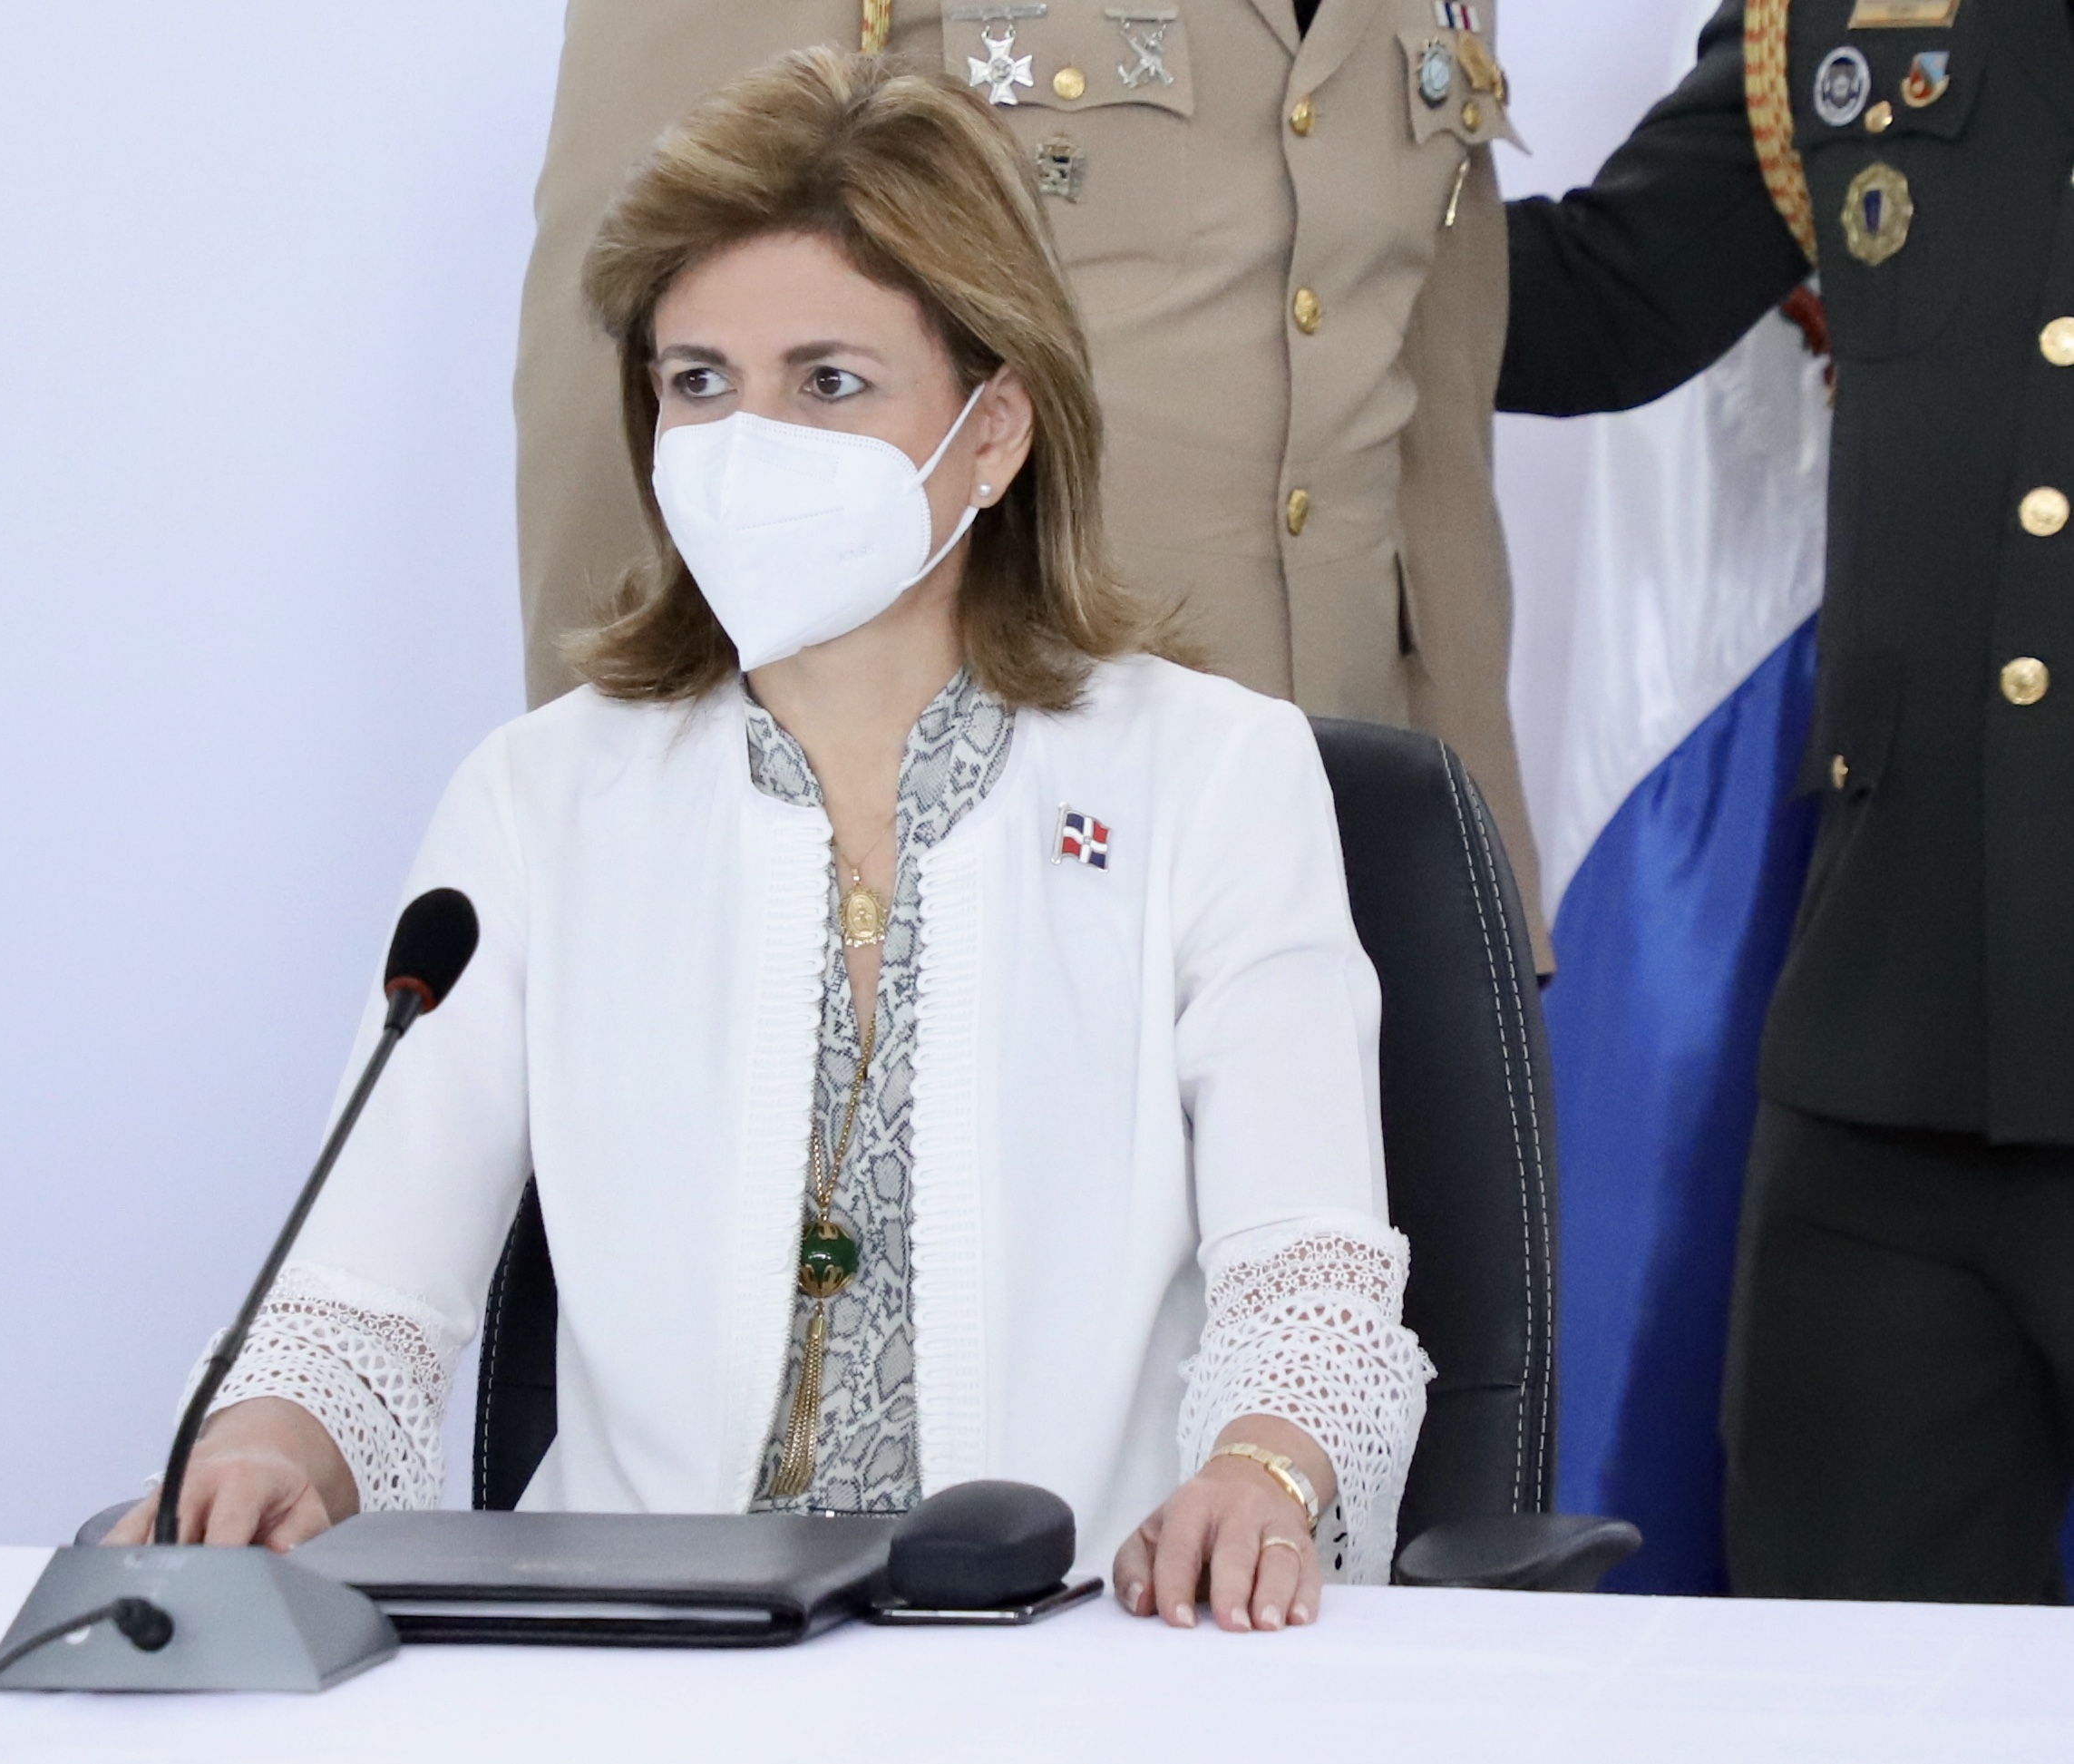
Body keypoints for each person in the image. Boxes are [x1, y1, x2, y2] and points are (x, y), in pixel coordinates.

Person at [110, 51, 1433, 1629]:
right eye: (697, 383)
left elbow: (1309, 1282)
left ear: (995, 430)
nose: (747, 441)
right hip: (635, 1657)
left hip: (1078, 1643)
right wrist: (268, 1446)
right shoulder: (537, 798)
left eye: (828, 383)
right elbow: (359, 1303)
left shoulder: (1216, 774)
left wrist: (1263, 1471)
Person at [513, 0, 1552, 959]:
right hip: (956, 855)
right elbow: (637, 386)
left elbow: (1432, 444)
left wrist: (1480, 894)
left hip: (1334, 851)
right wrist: (626, 859)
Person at [1500, 0, 2074, 1600]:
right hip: (1889, 1077)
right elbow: (1601, 303)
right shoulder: (1844, 22)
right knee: (1839, 1686)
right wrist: (1262, 202)